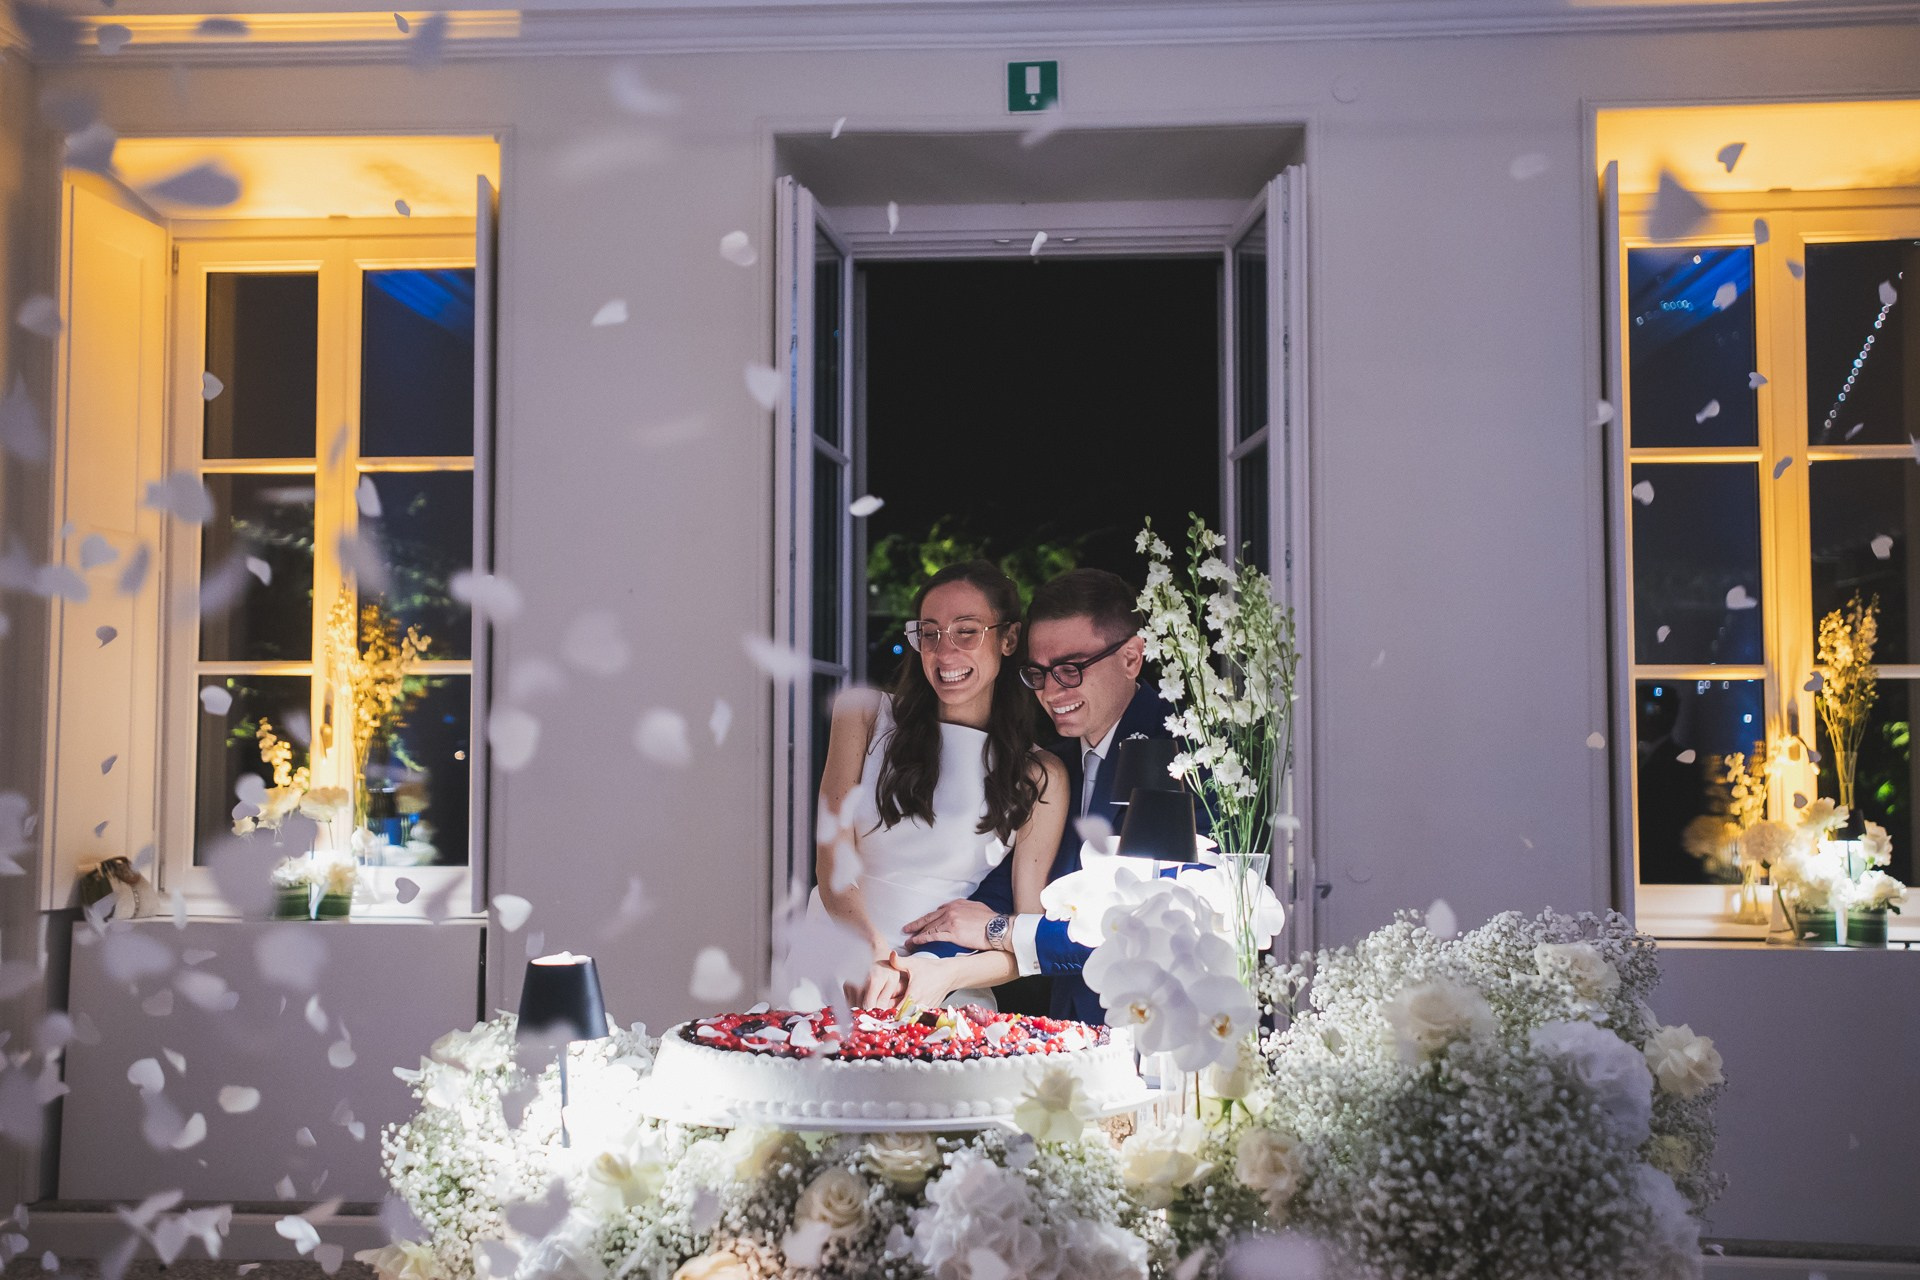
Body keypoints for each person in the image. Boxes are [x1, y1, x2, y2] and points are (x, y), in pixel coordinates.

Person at [899, 568, 1189, 1024]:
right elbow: (993, 894)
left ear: (1132, 658)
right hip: (1074, 1033)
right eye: (1038, 673)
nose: (1051, 692)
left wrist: (1001, 931)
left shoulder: (1181, 754)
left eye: (1071, 670)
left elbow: (1143, 927)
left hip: (1165, 1031)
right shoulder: (1054, 767)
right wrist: (919, 966)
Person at [808, 560, 1069, 1009]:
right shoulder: (863, 715)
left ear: (1008, 639)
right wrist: (876, 957)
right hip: (834, 958)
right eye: (929, 633)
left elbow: (1025, 940)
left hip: (942, 988)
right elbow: (831, 861)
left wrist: (940, 976)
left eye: (966, 632)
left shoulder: (1039, 775)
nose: (944, 652)